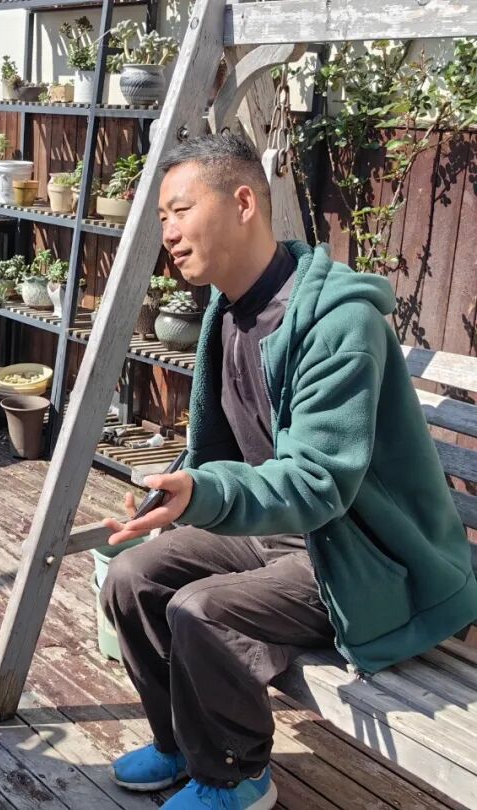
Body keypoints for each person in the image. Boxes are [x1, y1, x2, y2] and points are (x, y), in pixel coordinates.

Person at [100, 133, 477, 810]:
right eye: (162, 218)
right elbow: (228, 450)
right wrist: (176, 493)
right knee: (131, 577)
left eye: (180, 210)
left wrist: (206, 492)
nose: (170, 233)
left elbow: (317, 482)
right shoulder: (227, 310)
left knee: (200, 611)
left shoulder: (340, 323)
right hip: (281, 536)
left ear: (243, 202)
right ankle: (180, 744)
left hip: (358, 559)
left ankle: (237, 776)